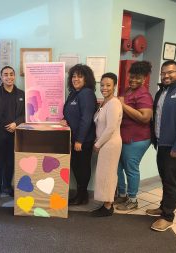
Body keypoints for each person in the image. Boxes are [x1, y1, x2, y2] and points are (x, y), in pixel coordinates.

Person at [146, 60, 176, 231]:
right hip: (162, 143)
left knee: (173, 181)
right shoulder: (162, 92)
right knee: (165, 178)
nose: (166, 75)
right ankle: (163, 207)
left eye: (170, 72)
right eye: (163, 72)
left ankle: (167, 216)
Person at [115, 61, 153, 211]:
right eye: (131, 77)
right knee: (118, 167)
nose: (133, 80)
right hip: (123, 137)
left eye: (137, 78)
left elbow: (145, 117)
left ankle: (132, 200)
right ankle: (122, 194)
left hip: (137, 139)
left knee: (131, 168)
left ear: (144, 79)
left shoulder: (144, 94)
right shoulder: (127, 91)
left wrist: (123, 105)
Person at [61, 64, 97, 205]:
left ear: (86, 79)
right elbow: (71, 113)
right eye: (74, 76)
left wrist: (79, 140)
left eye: (80, 76)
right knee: (76, 167)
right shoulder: (73, 93)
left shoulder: (86, 93)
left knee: (82, 167)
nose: (76, 79)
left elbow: (86, 119)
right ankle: (80, 195)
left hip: (83, 140)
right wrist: (65, 120)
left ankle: (82, 196)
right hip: (74, 138)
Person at [0, 66, 25, 206]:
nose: (8, 77)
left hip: (15, 134)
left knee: (11, 163)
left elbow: (25, 114)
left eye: (11, 74)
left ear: (14, 76)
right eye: (5, 75)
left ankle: (7, 187)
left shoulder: (21, 94)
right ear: (1, 77)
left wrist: (16, 123)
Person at [92, 72, 122, 217]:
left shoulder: (114, 103)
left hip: (110, 144)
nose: (104, 88)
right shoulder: (105, 102)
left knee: (108, 174)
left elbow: (110, 128)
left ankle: (108, 206)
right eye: (102, 85)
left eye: (108, 85)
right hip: (105, 143)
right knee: (104, 174)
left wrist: (98, 144)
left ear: (115, 86)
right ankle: (106, 203)